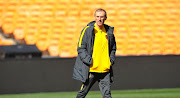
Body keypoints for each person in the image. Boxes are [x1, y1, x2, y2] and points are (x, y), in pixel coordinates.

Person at [72, 8, 116, 98]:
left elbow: (113, 48)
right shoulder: (87, 30)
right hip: (91, 70)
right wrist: (89, 61)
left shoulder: (109, 31)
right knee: (82, 94)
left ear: (105, 18)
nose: (99, 19)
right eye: (98, 16)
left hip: (105, 70)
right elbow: (80, 48)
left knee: (107, 95)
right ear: (94, 17)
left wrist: (110, 60)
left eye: (102, 17)